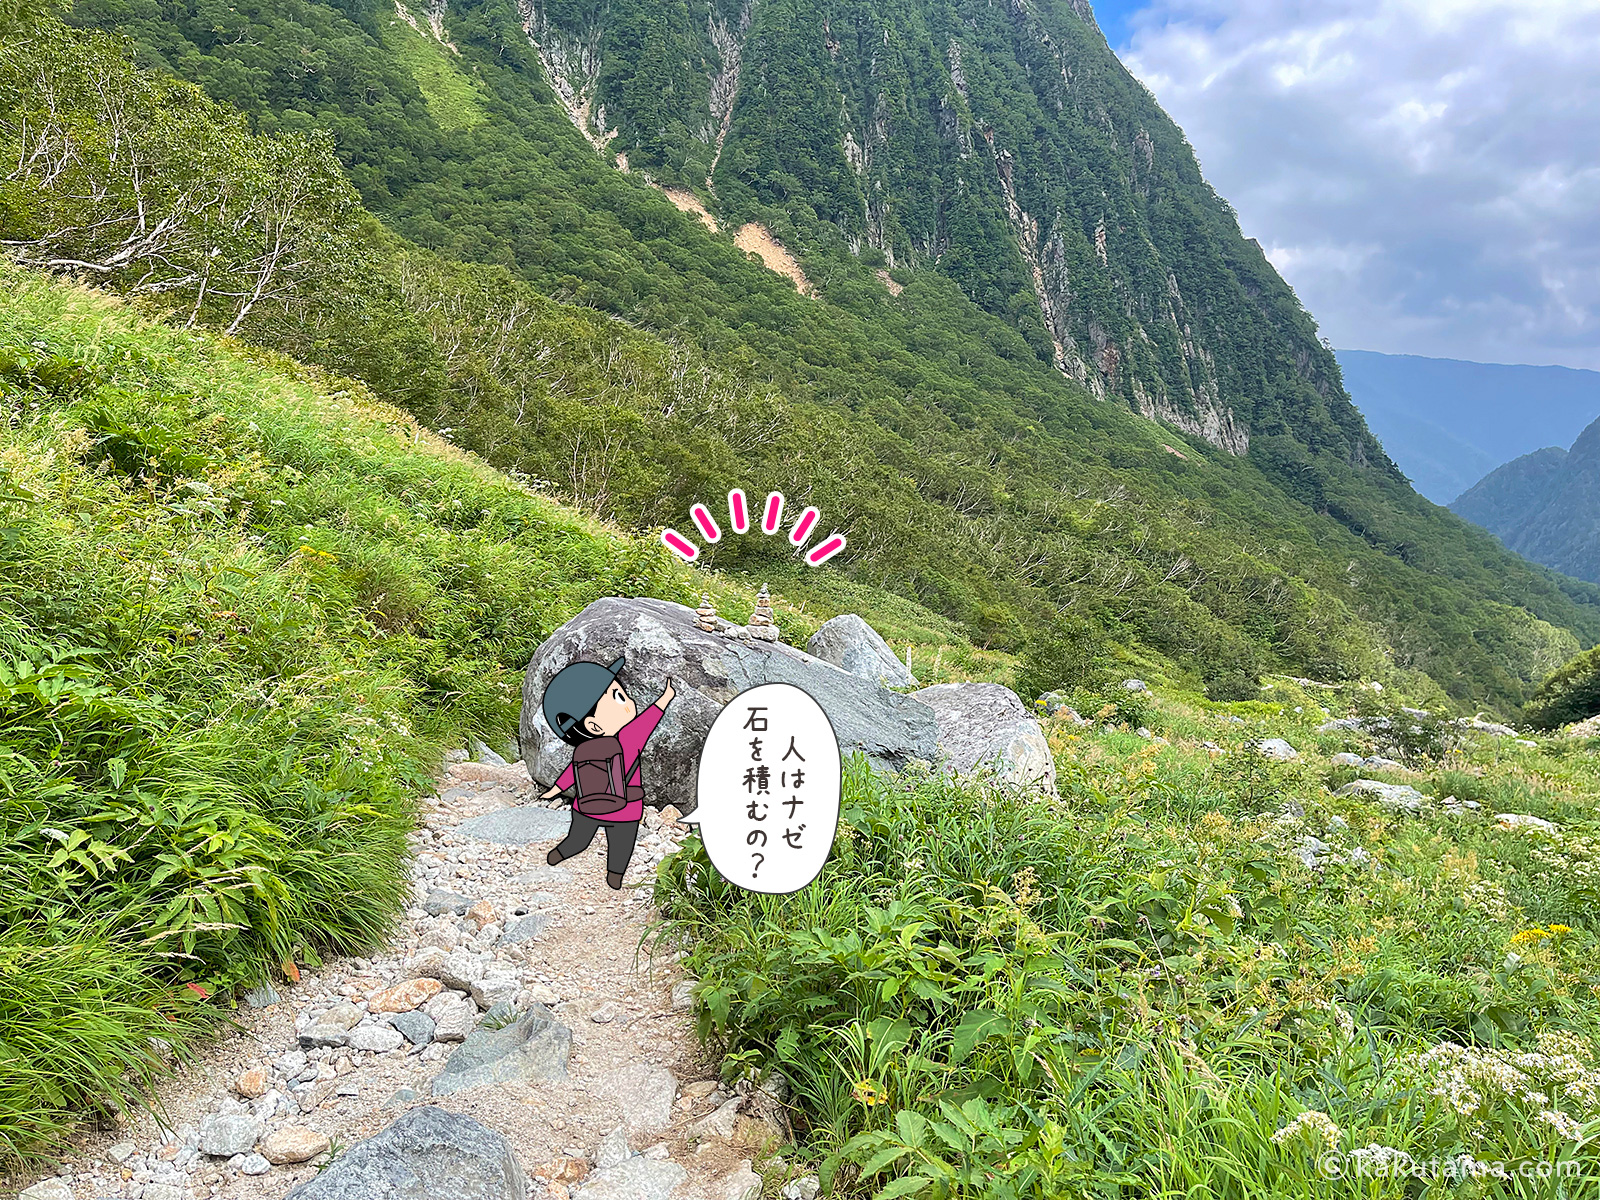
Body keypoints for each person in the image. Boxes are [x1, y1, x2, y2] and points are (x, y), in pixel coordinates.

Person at [537, 655, 675, 889]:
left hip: (586, 806)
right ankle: (615, 876)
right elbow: (649, 719)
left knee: (578, 840)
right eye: (618, 697)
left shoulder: (583, 748)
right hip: (626, 808)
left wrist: (555, 790)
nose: (628, 700)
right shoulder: (629, 738)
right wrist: (665, 697)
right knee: (621, 845)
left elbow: (573, 771)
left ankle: (561, 853)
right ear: (593, 725)